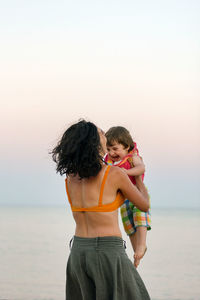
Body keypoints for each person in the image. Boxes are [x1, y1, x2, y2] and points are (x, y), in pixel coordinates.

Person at [51, 119, 151, 300]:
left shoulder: (71, 178)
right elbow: (144, 205)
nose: (106, 136)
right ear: (94, 143)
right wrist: (139, 181)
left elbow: (100, 207)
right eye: (102, 134)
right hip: (107, 252)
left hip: (78, 252)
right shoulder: (114, 174)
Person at [105, 126, 151, 268]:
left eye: (115, 148)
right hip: (124, 198)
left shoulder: (133, 157)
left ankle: (142, 244)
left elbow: (141, 168)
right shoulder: (109, 161)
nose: (112, 153)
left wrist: (127, 172)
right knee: (129, 226)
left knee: (140, 218)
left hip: (137, 191)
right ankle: (136, 252)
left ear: (127, 147)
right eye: (108, 149)